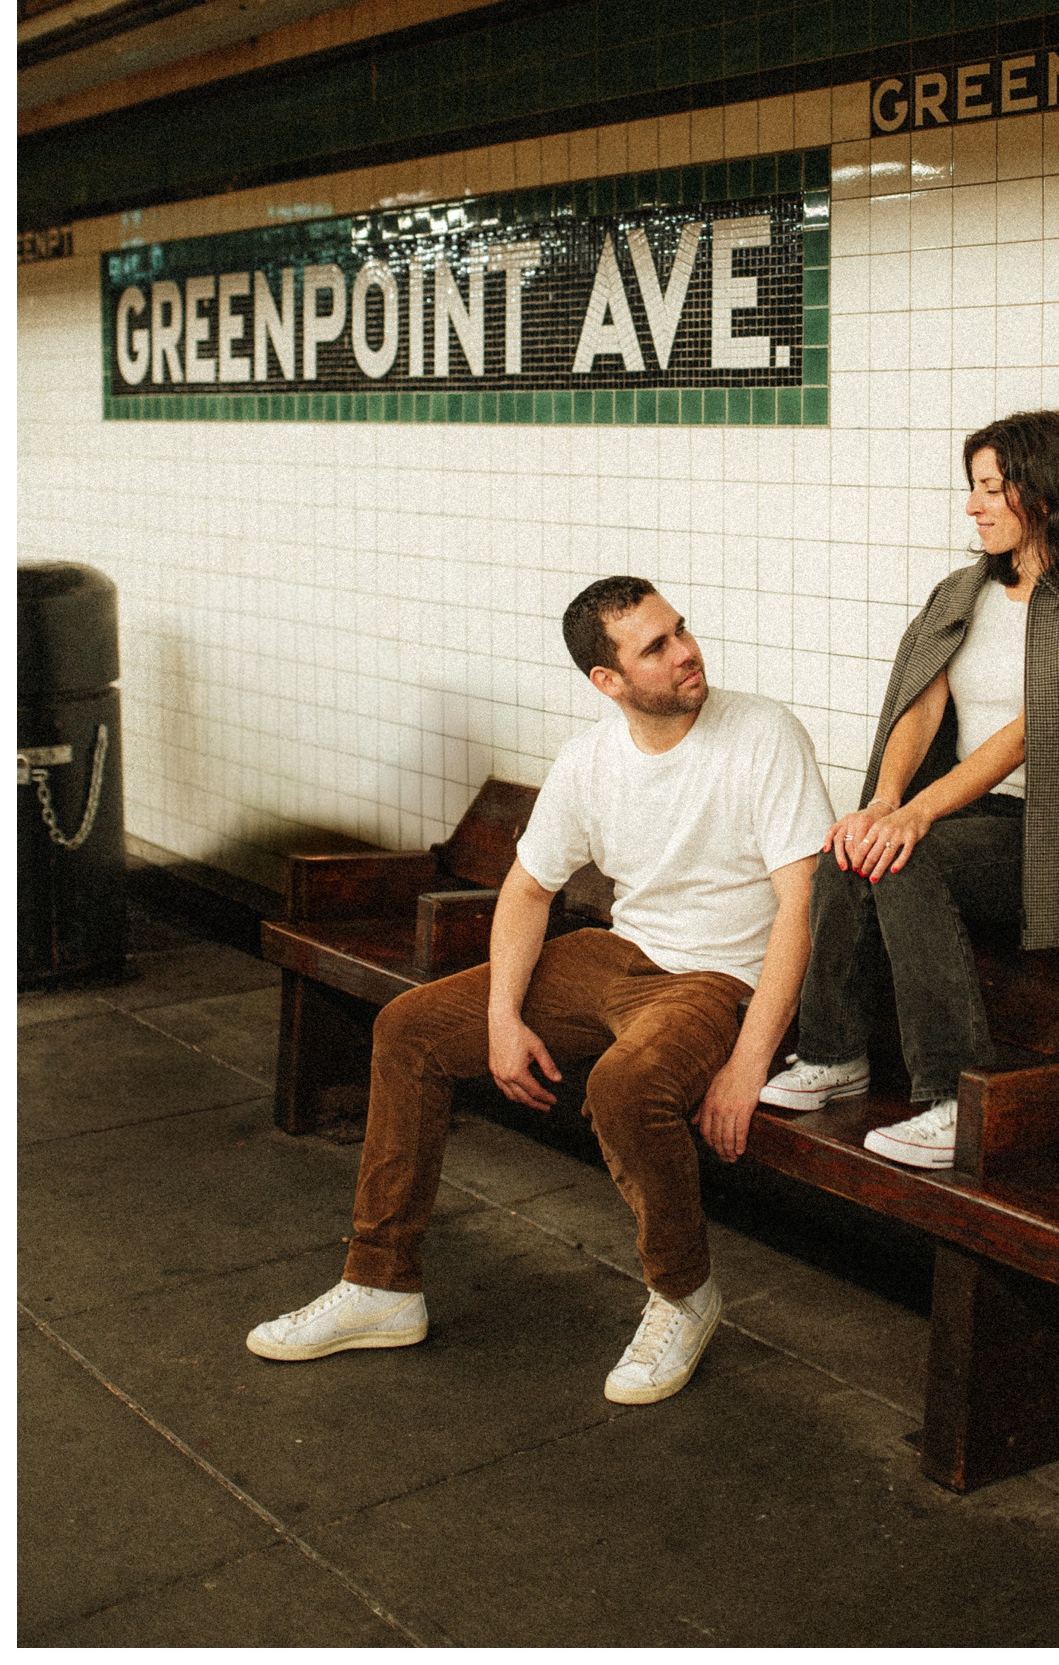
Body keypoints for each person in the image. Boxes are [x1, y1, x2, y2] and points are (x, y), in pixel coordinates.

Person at [248, 576, 833, 1405]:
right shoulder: (591, 759)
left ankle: (683, 1293)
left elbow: (803, 905)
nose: (686, 652)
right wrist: (501, 1018)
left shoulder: (763, 733)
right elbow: (527, 889)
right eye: (656, 646)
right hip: (615, 955)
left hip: (716, 978)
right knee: (410, 1028)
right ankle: (382, 1284)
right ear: (608, 679)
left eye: (681, 629)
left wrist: (747, 1063)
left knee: (623, 1086)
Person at [760, 410, 1059, 1171]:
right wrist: (884, 802)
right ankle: (833, 1053)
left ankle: (954, 1099)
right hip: (964, 814)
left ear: (1042, 494)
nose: (972, 506)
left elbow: (1028, 734)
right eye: (974, 487)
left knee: (904, 859)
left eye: (991, 488)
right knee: (847, 850)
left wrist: (917, 816)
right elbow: (921, 704)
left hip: (1045, 836)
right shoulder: (964, 593)